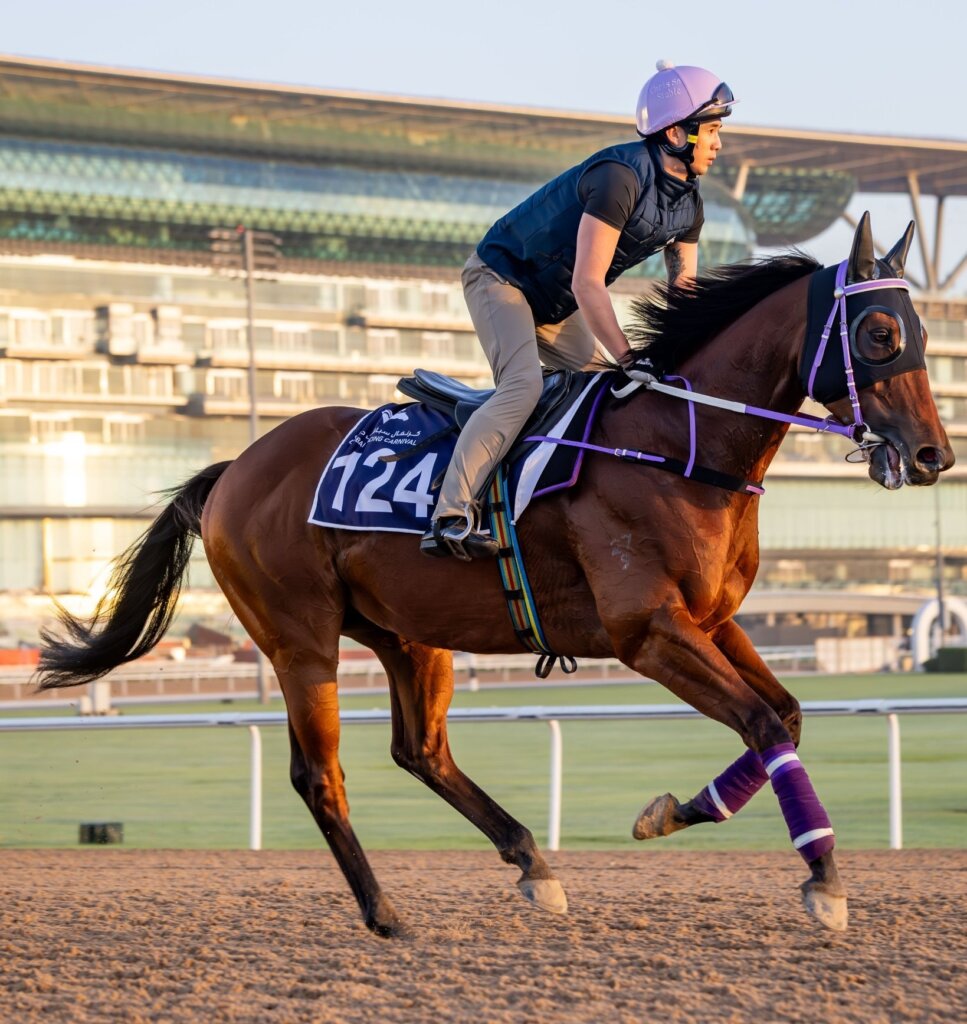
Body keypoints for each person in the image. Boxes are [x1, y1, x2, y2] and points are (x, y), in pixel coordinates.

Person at [421, 61, 737, 560]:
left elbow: (685, 293)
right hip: (501, 279)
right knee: (522, 386)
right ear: (677, 132)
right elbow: (588, 283)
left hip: (554, 305)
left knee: (606, 391)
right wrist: (630, 355)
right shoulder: (618, 177)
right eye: (713, 130)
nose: (719, 144)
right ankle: (449, 514)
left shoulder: (689, 204)